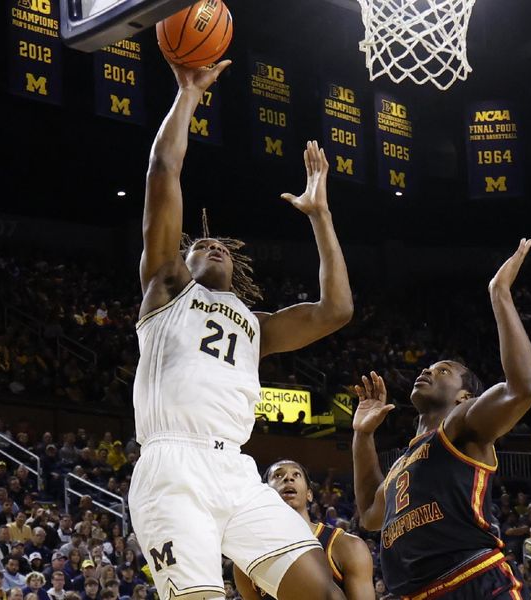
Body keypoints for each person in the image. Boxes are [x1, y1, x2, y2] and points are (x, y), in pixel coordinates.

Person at [129, 57, 352, 600]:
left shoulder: (257, 326)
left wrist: (320, 216)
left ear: (239, 269)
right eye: (199, 244)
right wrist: (188, 94)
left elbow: (336, 310)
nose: (212, 244)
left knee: (322, 592)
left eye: (221, 244)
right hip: (171, 466)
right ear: (184, 261)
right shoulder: (166, 288)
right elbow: (163, 170)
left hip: (236, 469)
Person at [352, 240, 531, 599]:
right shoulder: (402, 464)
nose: (427, 370)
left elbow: (522, 389)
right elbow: (369, 515)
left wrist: (499, 294)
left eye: (443, 370)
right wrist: (362, 436)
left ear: (465, 397)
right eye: (429, 367)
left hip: (473, 580)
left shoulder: (459, 426)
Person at [234, 460, 374, 600]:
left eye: (296, 474)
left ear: (309, 494)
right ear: (265, 495)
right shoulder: (246, 560)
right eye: (278, 475)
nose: (288, 478)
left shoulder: (347, 546)